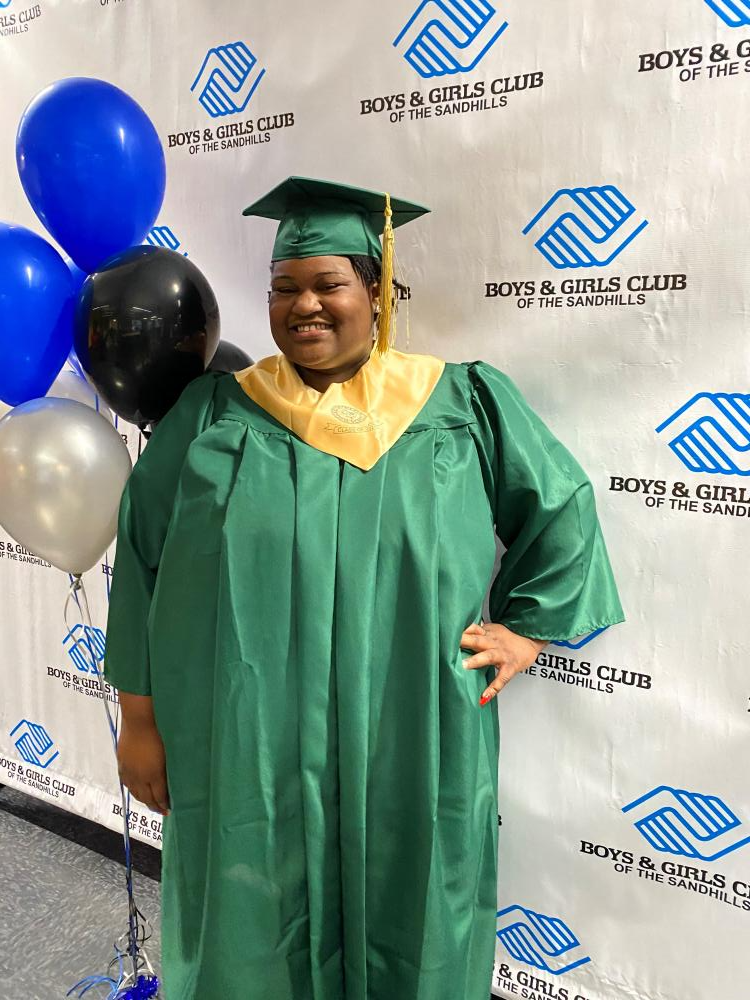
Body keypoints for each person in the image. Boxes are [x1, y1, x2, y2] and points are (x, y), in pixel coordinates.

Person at [104, 176, 624, 1000]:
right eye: (284, 287)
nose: (304, 305)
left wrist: (526, 628)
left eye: (328, 283)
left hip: (412, 721)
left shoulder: (461, 402)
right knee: (249, 916)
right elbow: (140, 557)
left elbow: (559, 506)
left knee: (416, 904)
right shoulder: (215, 415)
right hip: (250, 728)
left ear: (377, 293)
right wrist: (139, 722)